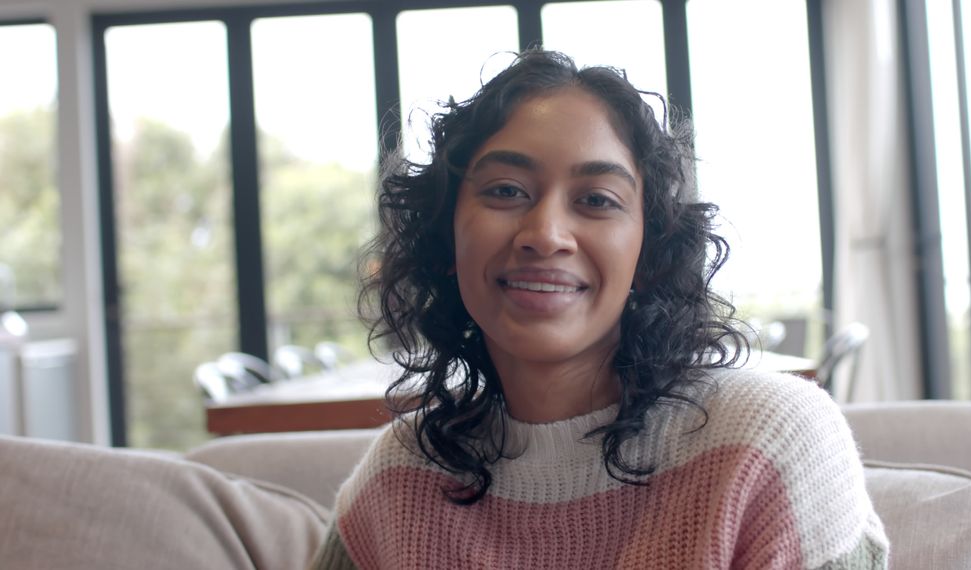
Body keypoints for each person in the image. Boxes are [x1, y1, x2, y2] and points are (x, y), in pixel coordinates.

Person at [310, 50, 887, 569]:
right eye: (507, 190)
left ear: (648, 250)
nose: (546, 234)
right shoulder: (399, 479)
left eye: (596, 200)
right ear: (446, 239)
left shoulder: (768, 444)